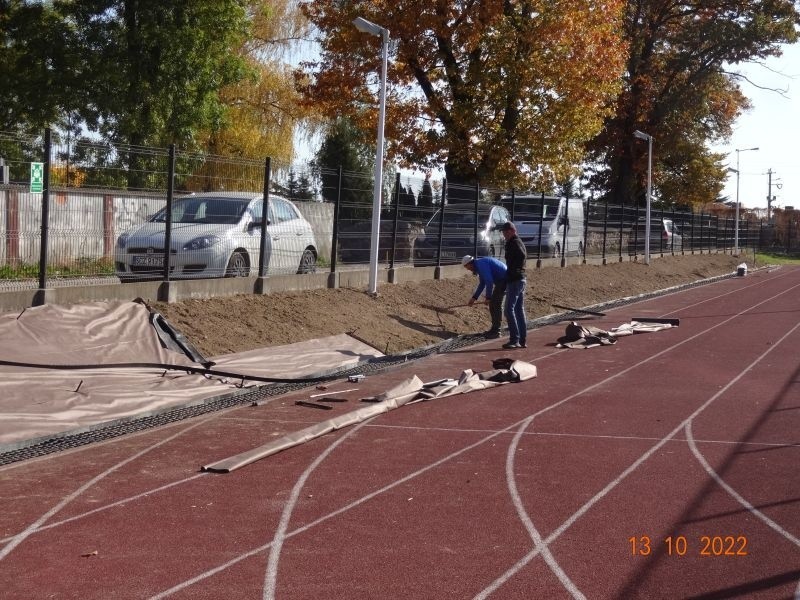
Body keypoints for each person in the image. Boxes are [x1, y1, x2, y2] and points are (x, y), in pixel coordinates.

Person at [461, 255, 507, 339]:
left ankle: (496, 331)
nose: (468, 269)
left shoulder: (481, 265)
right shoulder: (479, 265)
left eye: (467, 267)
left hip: (504, 280)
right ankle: (494, 329)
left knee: (495, 304)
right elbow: (482, 283)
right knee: (493, 304)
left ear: (469, 264)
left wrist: (488, 297)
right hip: (502, 281)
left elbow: (489, 281)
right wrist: (474, 297)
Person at [500, 221, 527, 348]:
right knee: (518, 310)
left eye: (506, 232)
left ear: (512, 231)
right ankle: (522, 339)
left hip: (515, 280)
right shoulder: (515, 242)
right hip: (519, 279)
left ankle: (515, 339)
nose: (504, 234)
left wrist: (514, 270)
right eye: (503, 232)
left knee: (508, 310)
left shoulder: (514, 243)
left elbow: (521, 256)